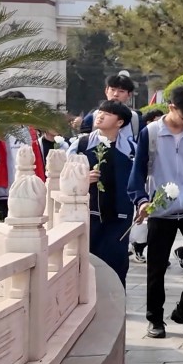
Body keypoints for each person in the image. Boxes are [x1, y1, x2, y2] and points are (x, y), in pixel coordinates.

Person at [127, 85, 183, 339]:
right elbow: (138, 171)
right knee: (156, 267)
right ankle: (155, 319)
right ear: (171, 107)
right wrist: (142, 200)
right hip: (160, 209)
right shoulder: (151, 133)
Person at [78, 99, 135, 286]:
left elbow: (142, 178)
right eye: (100, 111)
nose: (100, 115)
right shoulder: (82, 144)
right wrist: (82, 179)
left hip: (120, 216)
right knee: (88, 262)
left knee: (117, 262)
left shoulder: (131, 150)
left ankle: (117, 306)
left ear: (120, 122)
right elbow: (63, 176)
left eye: (108, 113)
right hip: (90, 214)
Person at [79, 72, 143, 155]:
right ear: (106, 90)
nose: (116, 94)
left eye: (121, 91)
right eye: (112, 90)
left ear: (129, 95)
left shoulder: (136, 121)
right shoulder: (92, 118)